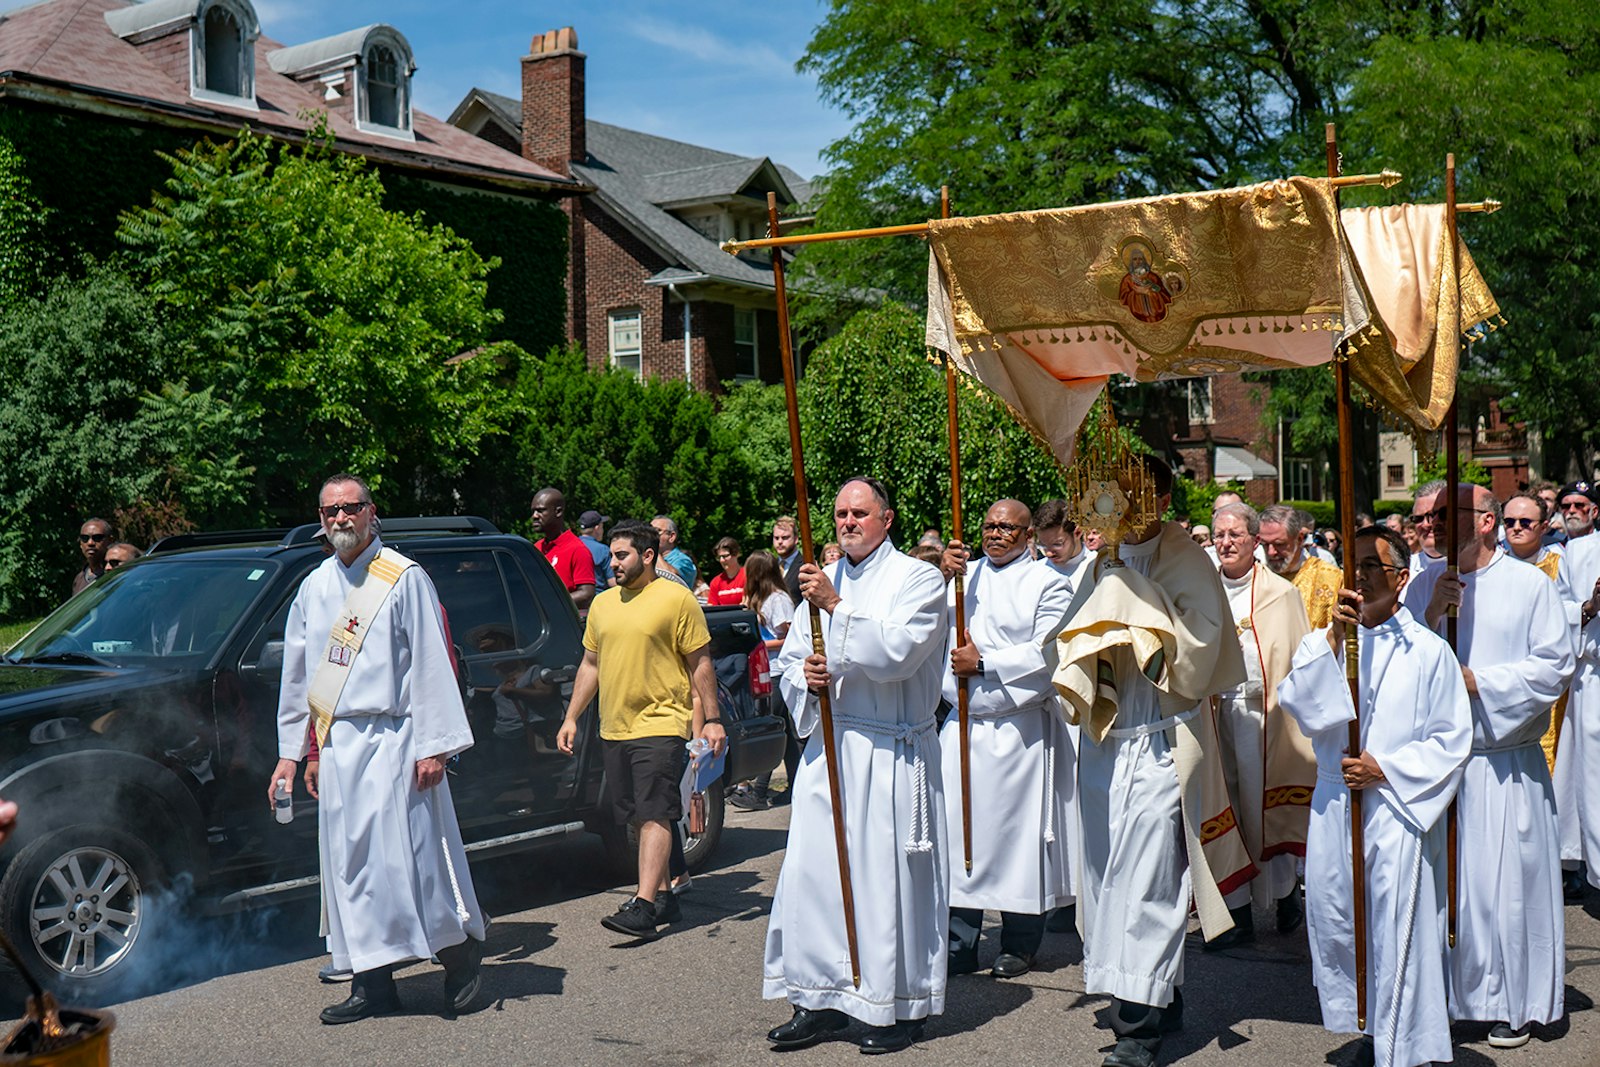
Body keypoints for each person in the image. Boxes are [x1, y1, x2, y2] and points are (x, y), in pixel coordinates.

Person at [1051, 457, 1255, 1067]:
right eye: (1116, 492)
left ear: (1161, 498)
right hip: (1107, 741)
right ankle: (1160, 999)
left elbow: (1199, 651)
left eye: (1141, 493)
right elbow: (1063, 640)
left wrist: (1136, 616)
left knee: (1150, 880)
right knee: (1106, 874)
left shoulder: (1184, 558)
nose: (1128, 505)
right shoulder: (1099, 563)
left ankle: (1136, 1028)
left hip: (1162, 741)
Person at [268, 474, 487, 1024]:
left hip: (397, 741)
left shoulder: (403, 578)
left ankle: (461, 960)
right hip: (339, 745)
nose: (339, 519)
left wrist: (434, 746)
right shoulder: (313, 586)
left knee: (413, 862)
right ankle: (373, 983)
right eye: (329, 511)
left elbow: (432, 661)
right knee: (351, 870)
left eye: (350, 508)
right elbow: (299, 678)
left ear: (371, 511)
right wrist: (299, 753)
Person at [764, 477, 949, 1055]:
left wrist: (835, 609)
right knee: (813, 876)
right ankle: (818, 999)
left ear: (886, 519)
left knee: (886, 883)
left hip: (892, 752)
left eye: (860, 513)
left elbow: (898, 654)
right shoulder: (826, 579)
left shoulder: (918, 579)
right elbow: (793, 660)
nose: (847, 522)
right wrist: (806, 677)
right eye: (841, 513)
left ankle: (899, 1007)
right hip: (832, 749)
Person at [1277, 525, 1471, 1067]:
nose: (1357, 576)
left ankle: (1406, 1046)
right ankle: (1367, 1027)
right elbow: (1299, 704)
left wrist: (1384, 767)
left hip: (1395, 811)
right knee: (1343, 921)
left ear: (1401, 578)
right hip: (1337, 803)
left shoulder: (1430, 651)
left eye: (1371, 567)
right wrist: (1336, 642)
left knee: (1395, 926)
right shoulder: (1328, 642)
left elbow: (1451, 740)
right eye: (1352, 566)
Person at [1403, 485, 1574, 1049]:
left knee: (1506, 890)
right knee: (1449, 893)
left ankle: (1514, 1003)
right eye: (1424, 517)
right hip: (1444, 768)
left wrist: (1481, 682)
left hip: (1504, 763)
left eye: (1442, 516)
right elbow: (1400, 667)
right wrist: (1428, 615)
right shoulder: (1425, 584)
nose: (1429, 525)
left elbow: (1554, 667)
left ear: (1483, 522)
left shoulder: (1529, 585)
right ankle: (1450, 998)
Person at [557, 520, 723, 938]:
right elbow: (590, 665)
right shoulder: (604, 604)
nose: (612, 563)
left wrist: (714, 719)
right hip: (615, 726)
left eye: (620, 555)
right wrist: (572, 716)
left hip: (661, 721)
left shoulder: (675, 599)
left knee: (654, 812)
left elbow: (700, 662)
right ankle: (665, 896)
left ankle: (644, 904)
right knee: (635, 815)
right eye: (612, 555)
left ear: (647, 556)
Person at [937, 499, 1076, 980]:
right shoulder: (962, 578)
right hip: (964, 725)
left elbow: (1050, 652)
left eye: (1007, 527)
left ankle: (1020, 941)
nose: (995, 534)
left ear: (1028, 535)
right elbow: (929, 632)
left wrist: (986, 664)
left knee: (1018, 839)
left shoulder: (1049, 583)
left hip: (1020, 731)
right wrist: (940, 577)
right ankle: (959, 941)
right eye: (989, 525)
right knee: (959, 834)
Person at [1206, 501, 1313, 949]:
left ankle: (1286, 897)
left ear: (1254, 541)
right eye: (1219, 536)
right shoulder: (1201, 589)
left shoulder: (1280, 594)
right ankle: (1236, 914)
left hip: (1264, 717)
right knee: (1224, 808)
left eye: (1235, 535)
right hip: (1214, 716)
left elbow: (1296, 658)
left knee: (1263, 808)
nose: (1226, 543)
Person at [731, 550, 798, 812]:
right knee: (787, 736)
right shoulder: (760, 599)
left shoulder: (778, 600)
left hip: (779, 671)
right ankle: (794, 786)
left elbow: (792, 637)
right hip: (766, 672)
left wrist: (761, 644)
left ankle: (758, 792)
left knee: (770, 730)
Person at [1259, 504, 1342, 628]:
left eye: (1279, 544)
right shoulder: (1256, 577)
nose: (1271, 552)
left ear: (1300, 539)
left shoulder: (1332, 579)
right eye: (1265, 544)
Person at [531, 488, 597, 611]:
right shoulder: (536, 548)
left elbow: (586, 594)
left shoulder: (577, 550)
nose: (534, 516)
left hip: (564, 624)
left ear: (558, 512)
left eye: (541, 510)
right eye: (533, 511)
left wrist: (550, 604)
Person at [1407, 481, 1449, 579]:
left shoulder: (1473, 567)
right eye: (1418, 519)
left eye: (1433, 515)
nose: (1425, 524)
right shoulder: (1405, 570)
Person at [651, 515, 697, 590]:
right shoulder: (647, 558)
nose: (651, 536)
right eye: (650, 531)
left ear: (672, 537)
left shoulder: (684, 561)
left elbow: (671, 578)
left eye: (657, 531)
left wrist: (655, 550)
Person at [71, 518, 112, 595]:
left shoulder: (115, 575)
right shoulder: (79, 580)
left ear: (110, 540)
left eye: (97, 538)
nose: (90, 543)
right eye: (85, 538)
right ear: (80, 544)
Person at [577, 510, 616, 590]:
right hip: (598, 598)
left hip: (574, 598)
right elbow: (612, 582)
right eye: (602, 527)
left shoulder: (571, 546)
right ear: (597, 528)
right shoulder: (602, 550)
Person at [706, 537, 746, 606]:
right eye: (719, 557)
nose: (722, 560)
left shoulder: (748, 576)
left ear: (736, 554)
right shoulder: (716, 582)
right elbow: (712, 606)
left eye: (725, 556)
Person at [772, 515, 803, 605]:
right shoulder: (770, 566)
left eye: (785, 537)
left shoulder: (805, 566)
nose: (780, 541)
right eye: (776, 538)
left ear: (796, 539)